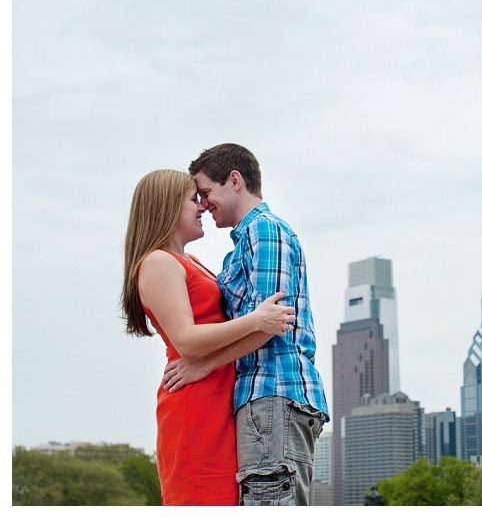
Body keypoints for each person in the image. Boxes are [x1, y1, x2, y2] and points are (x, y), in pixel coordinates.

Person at [161, 143, 329, 506]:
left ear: (234, 180)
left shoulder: (265, 231)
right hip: (264, 403)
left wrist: (202, 363)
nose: (203, 204)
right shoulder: (240, 246)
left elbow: (268, 324)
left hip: (272, 393)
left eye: (206, 192)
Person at [120, 169, 295, 506]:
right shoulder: (158, 262)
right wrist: (256, 320)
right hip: (194, 404)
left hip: (218, 397)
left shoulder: (192, 261)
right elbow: (186, 339)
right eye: (192, 200)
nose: (201, 207)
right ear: (166, 207)